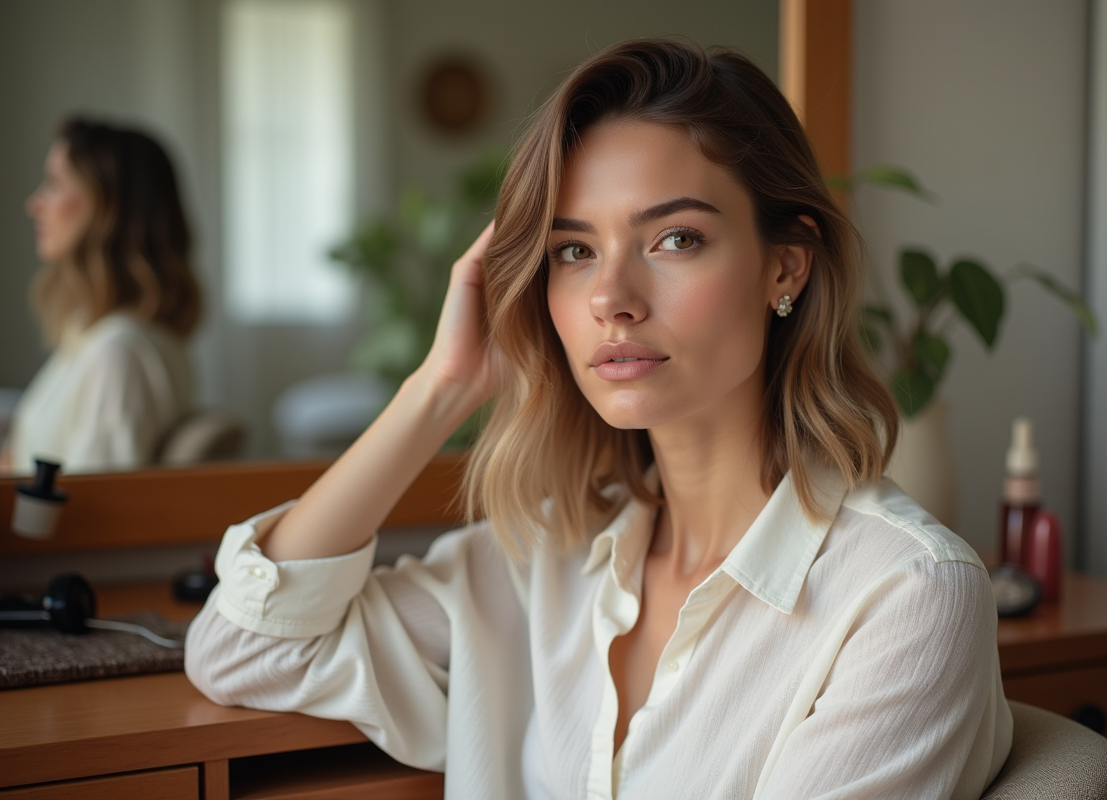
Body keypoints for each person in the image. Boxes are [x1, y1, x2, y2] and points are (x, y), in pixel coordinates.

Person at [186, 39, 1011, 799]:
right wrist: (442, 384)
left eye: (676, 239)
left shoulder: (903, 595)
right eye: (573, 252)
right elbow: (246, 649)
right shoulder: (543, 560)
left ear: (784, 266)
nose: (611, 299)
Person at [1, 117, 201, 475]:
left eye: (54, 184)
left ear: (110, 209)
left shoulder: (117, 355)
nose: (34, 204)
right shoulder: (93, 332)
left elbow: (94, 511)